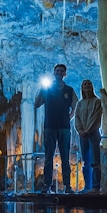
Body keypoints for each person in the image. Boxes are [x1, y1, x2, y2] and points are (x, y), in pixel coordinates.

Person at [35, 63, 78, 194]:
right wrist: (42, 89)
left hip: (64, 127)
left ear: (65, 74)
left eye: (61, 71)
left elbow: (75, 105)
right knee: (48, 157)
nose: (59, 73)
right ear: (54, 73)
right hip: (50, 127)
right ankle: (46, 185)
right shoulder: (47, 89)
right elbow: (37, 104)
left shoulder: (69, 90)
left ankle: (67, 186)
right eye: (57, 71)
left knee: (65, 157)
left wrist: (69, 117)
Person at [75, 79, 103, 194]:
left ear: (92, 87)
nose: (87, 86)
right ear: (82, 88)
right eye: (85, 84)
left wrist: (87, 130)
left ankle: (96, 186)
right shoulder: (80, 104)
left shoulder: (97, 101)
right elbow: (77, 118)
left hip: (93, 134)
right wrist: (80, 130)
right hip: (83, 135)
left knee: (95, 160)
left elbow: (96, 118)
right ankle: (87, 186)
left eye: (89, 84)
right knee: (86, 161)